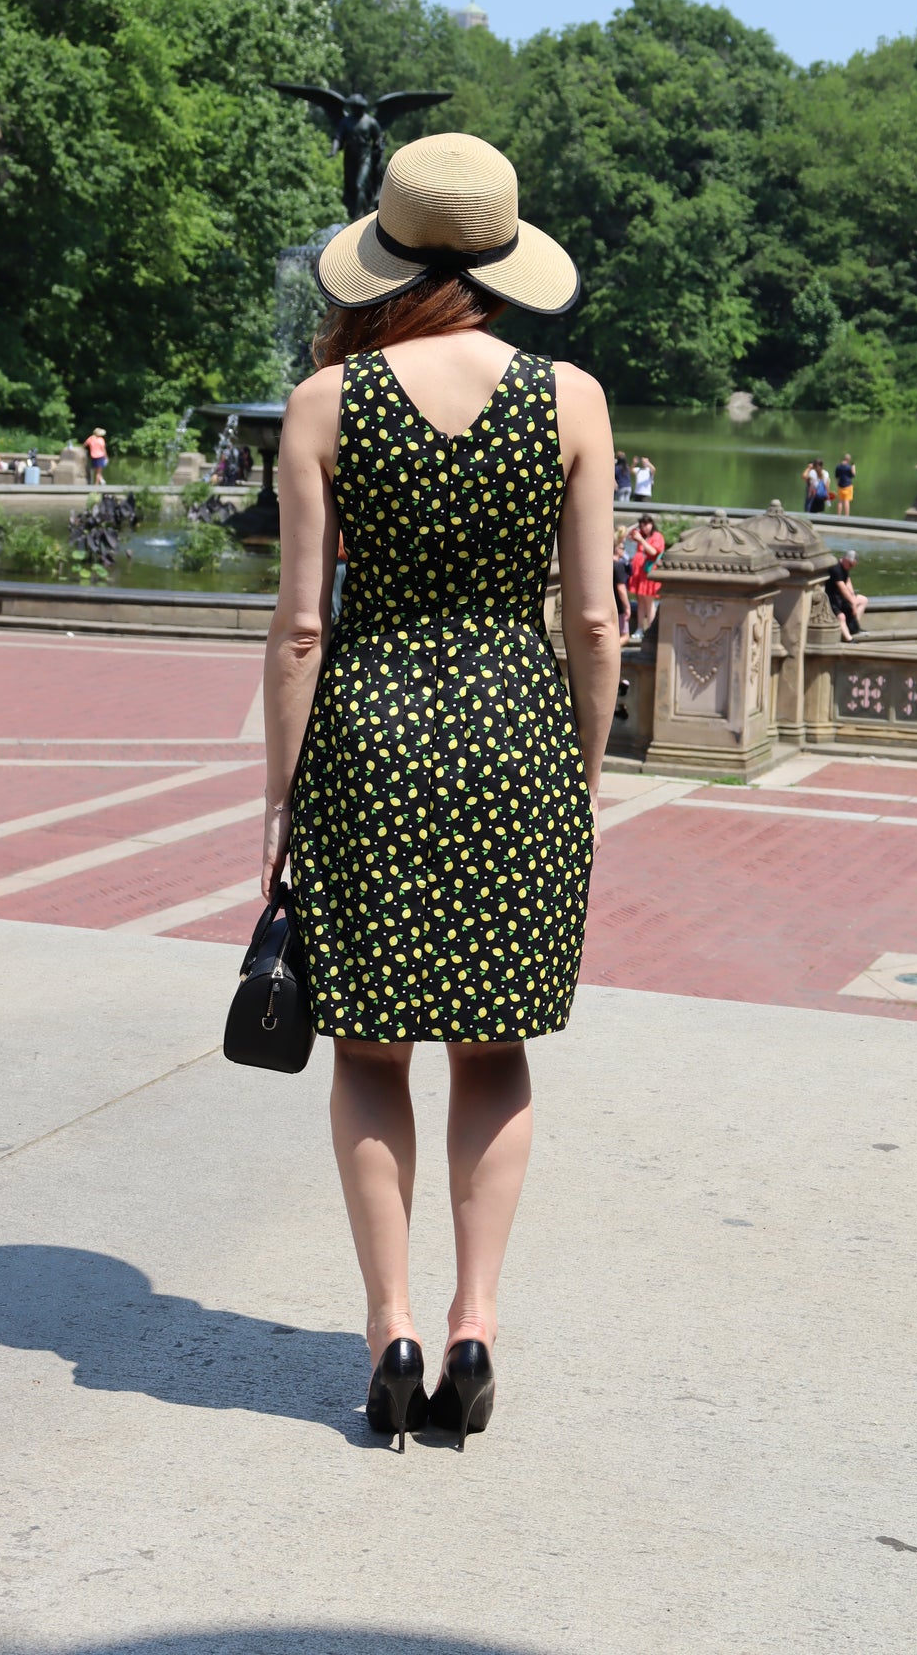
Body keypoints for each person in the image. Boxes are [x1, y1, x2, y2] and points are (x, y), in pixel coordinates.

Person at [260, 132, 618, 1452]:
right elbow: (593, 622)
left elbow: (302, 628)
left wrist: (280, 799)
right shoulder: (569, 399)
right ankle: (476, 1323)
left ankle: (392, 1324)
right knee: (495, 1046)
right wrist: (577, 775)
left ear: (384, 254)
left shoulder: (326, 403)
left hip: (369, 735)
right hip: (517, 738)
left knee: (367, 1049)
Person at [627, 514, 665, 638]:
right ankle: (639, 628)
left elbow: (653, 552)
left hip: (649, 573)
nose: (645, 527)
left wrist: (641, 540)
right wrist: (636, 526)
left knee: (649, 603)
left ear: (652, 524)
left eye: (647, 524)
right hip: (639, 573)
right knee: (640, 602)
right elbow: (626, 535)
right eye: (643, 525)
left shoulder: (656, 536)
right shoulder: (642, 535)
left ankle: (650, 629)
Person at [825, 549, 869, 640]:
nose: (850, 567)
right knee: (842, 617)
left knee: (863, 600)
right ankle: (848, 638)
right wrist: (853, 603)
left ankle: (854, 627)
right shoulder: (836, 568)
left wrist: (853, 596)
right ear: (845, 559)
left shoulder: (846, 567)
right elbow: (842, 588)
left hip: (841, 597)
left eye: (852, 566)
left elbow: (848, 581)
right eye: (850, 565)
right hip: (832, 598)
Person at [613, 527, 632, 643]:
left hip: (610, 605)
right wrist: (627, 607)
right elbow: (621, 588)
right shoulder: (619, 566)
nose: (624, 550)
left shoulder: (607, 564)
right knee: (624, 636)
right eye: (622, 548)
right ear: (617, 549)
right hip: (619, 607)